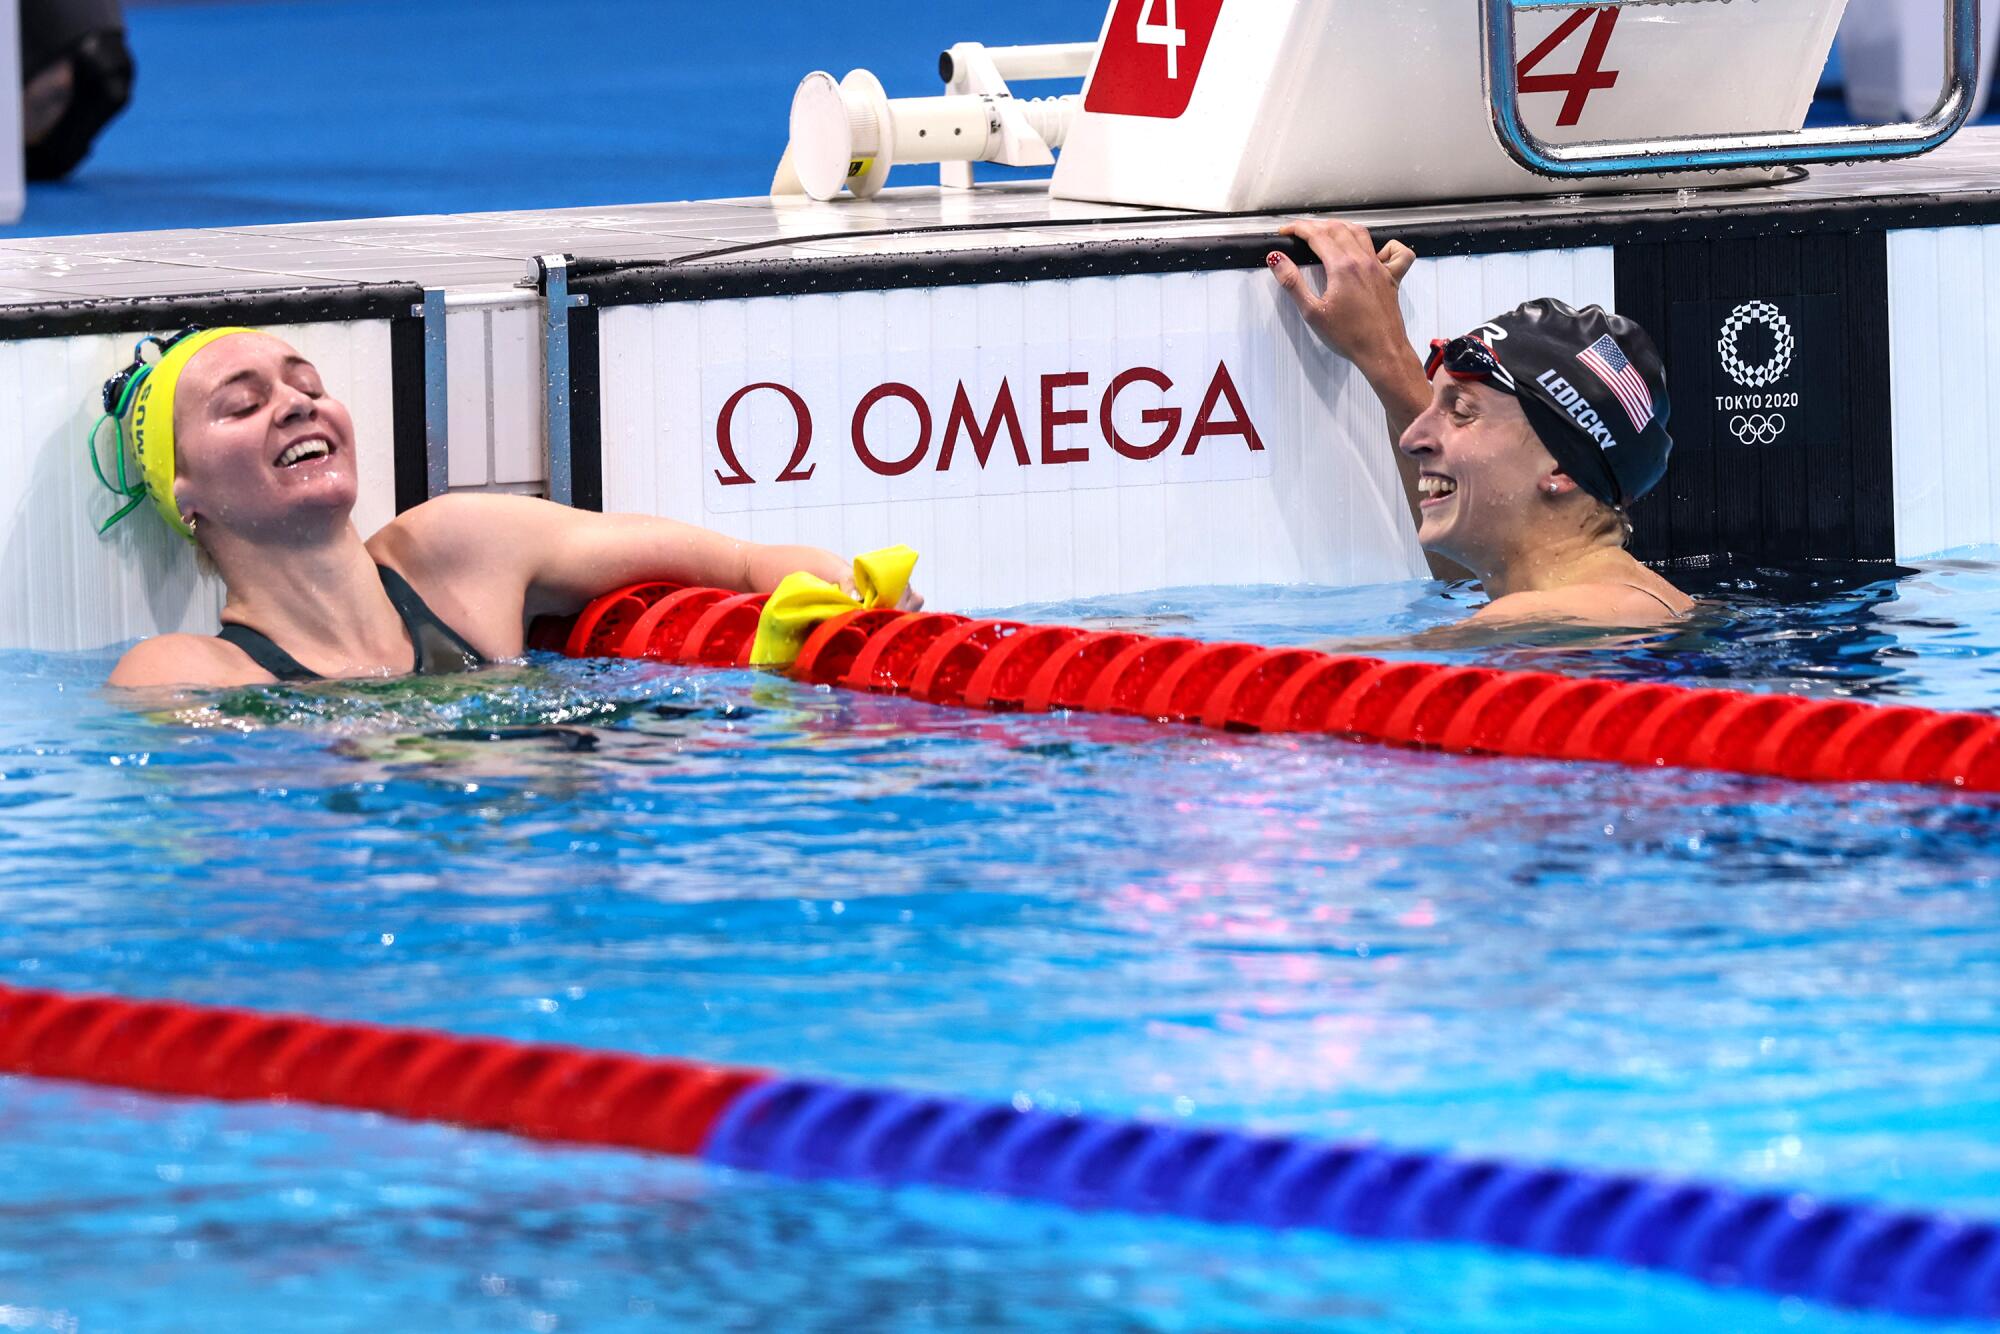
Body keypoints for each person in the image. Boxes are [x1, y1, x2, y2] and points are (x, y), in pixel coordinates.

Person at [92, 327, 918, 688]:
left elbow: (734, 564)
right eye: (241, 406)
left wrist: (815, 579)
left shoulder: (458, 548)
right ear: (185, 497)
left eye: (308, 386)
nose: (296, 406)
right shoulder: (184, 673)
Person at [1269, 220, 1692, 637]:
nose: (1412, 440)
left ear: (1562, 468)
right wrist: (1381, 350)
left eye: (1462, 413)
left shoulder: (1545, 620)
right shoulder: (1611, 603)